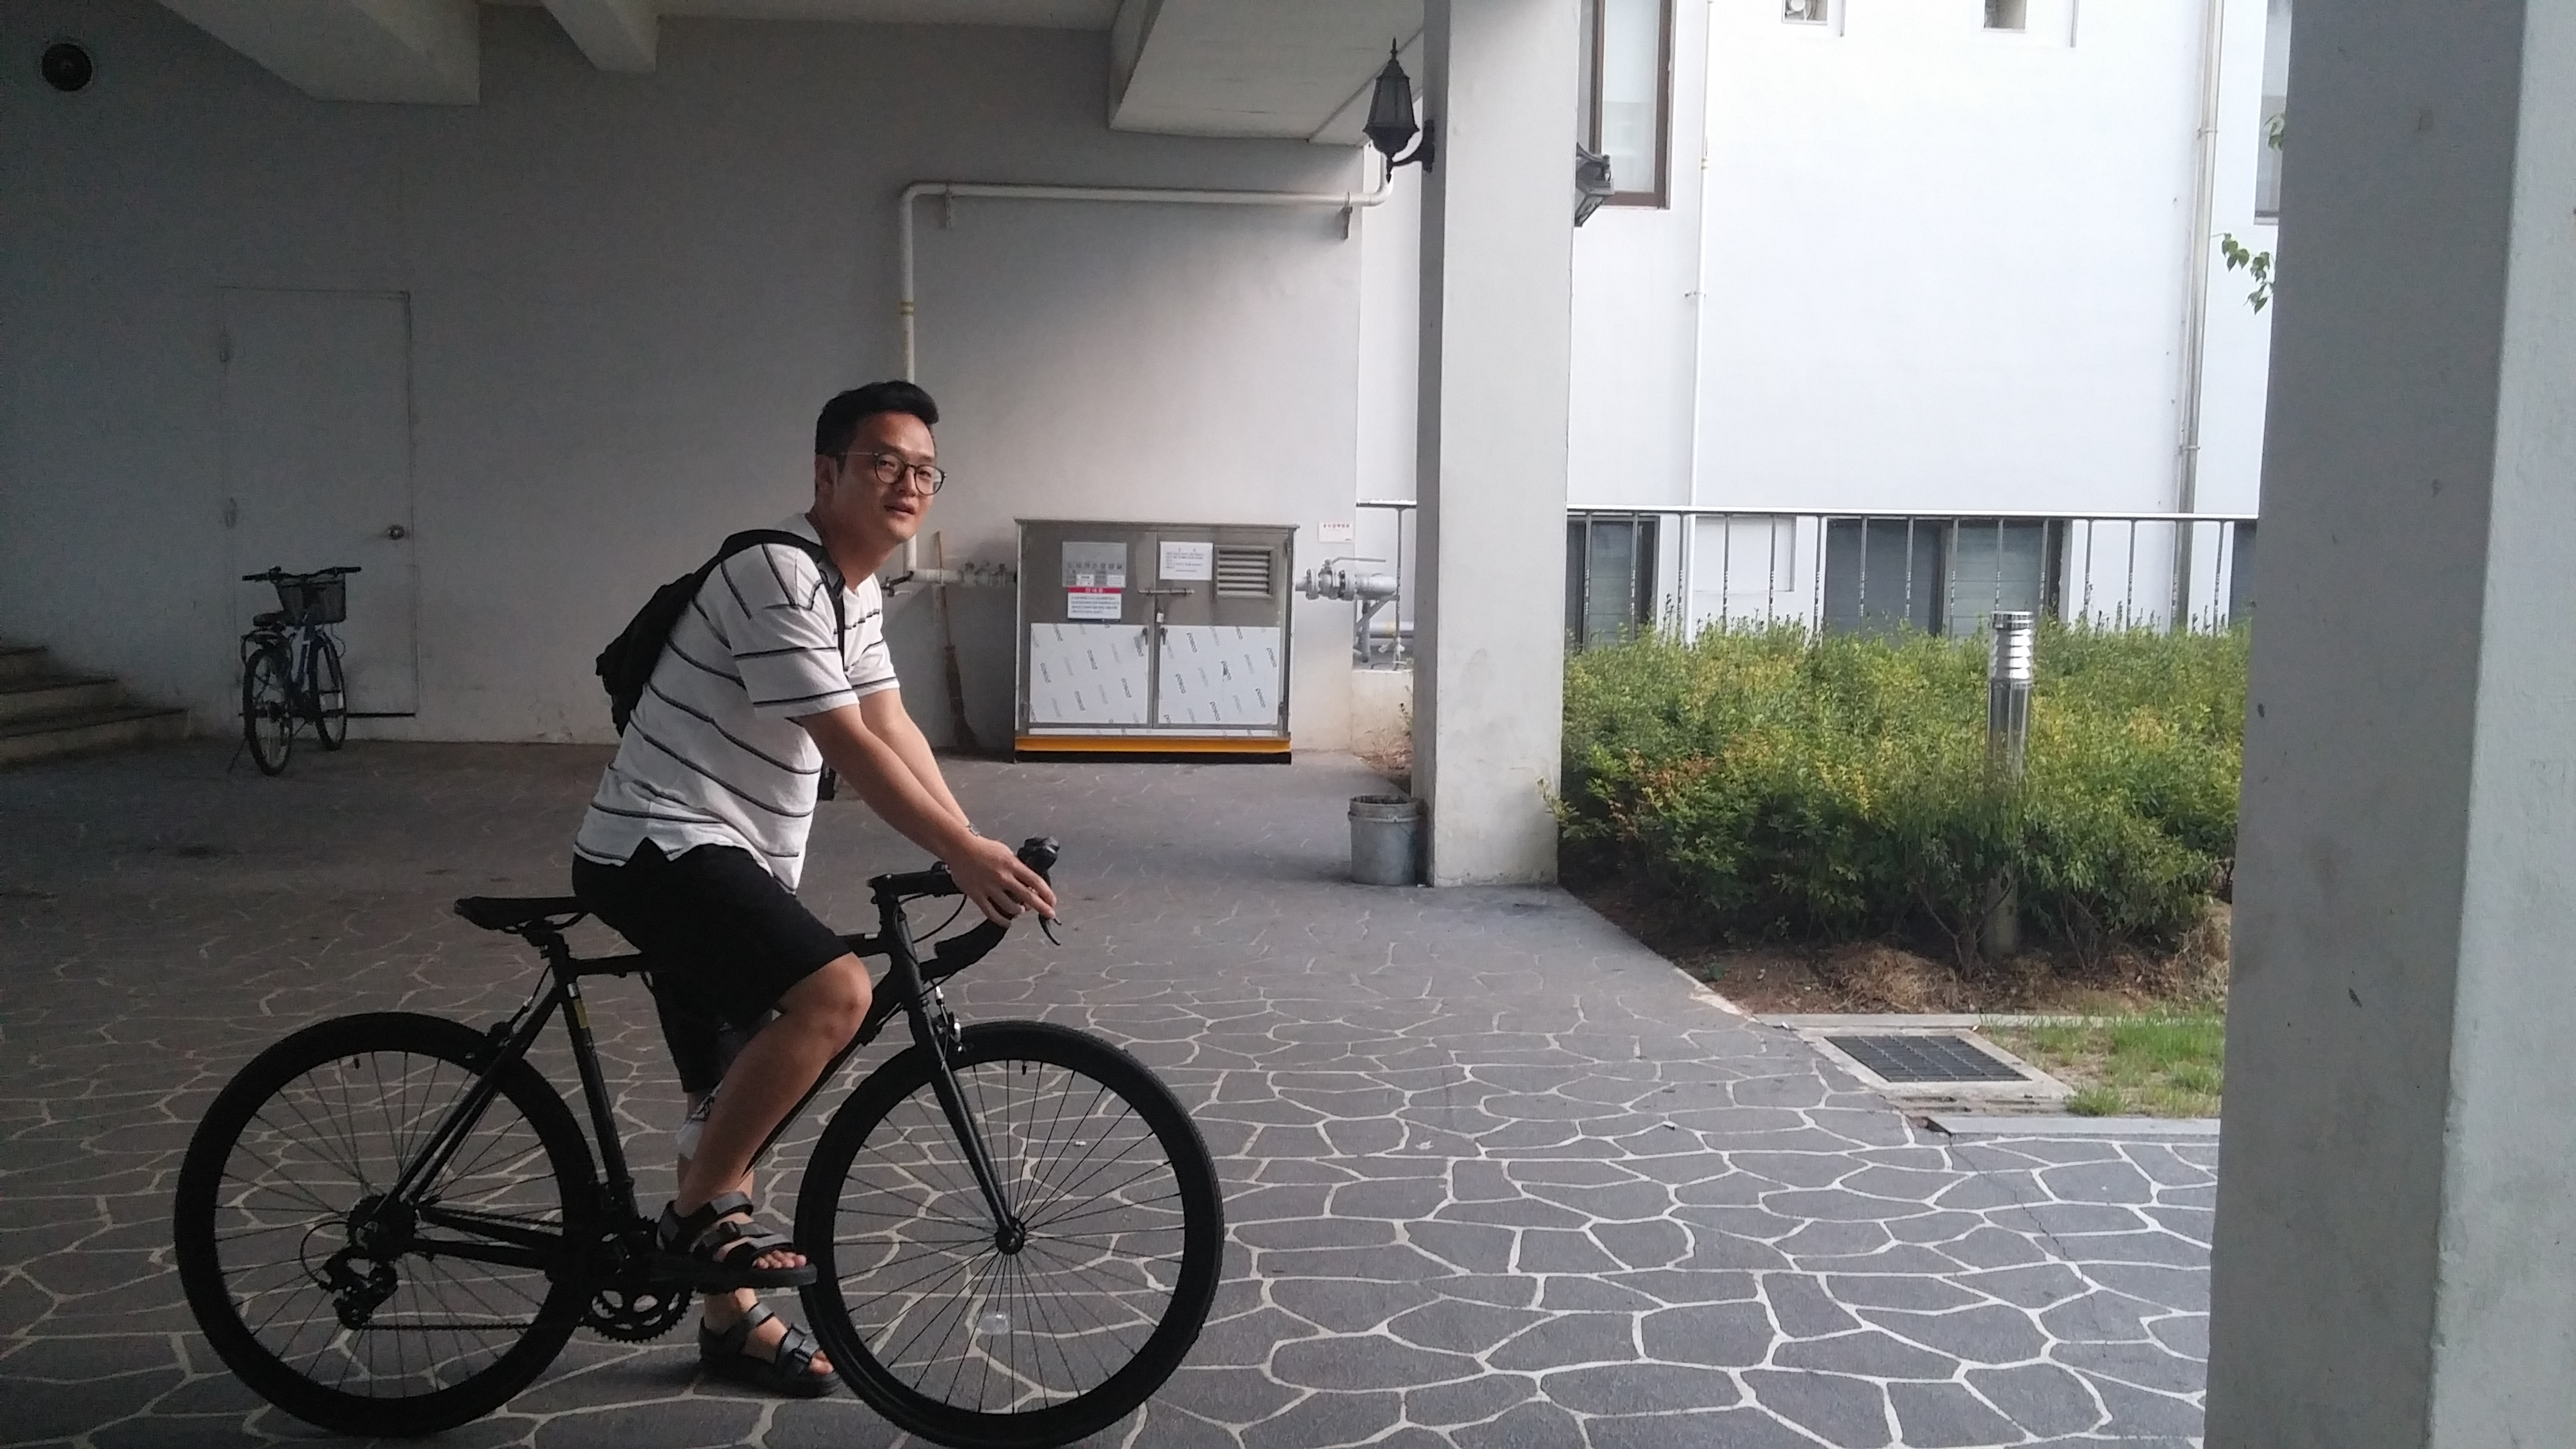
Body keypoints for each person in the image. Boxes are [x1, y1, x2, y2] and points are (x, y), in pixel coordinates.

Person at [569, 381, 1057, 1396]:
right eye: (884, 463)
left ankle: (727, 1320)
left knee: (729, 1099)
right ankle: (697, 1222)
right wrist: (963, 856)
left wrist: (969, 841)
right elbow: (847, 742)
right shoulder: (775, 573)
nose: (907, 484)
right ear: (827, 474)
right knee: (836, 994)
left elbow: (891, 725)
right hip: (658, 848)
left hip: (727, 858)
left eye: (924, 471)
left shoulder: (854, 590)